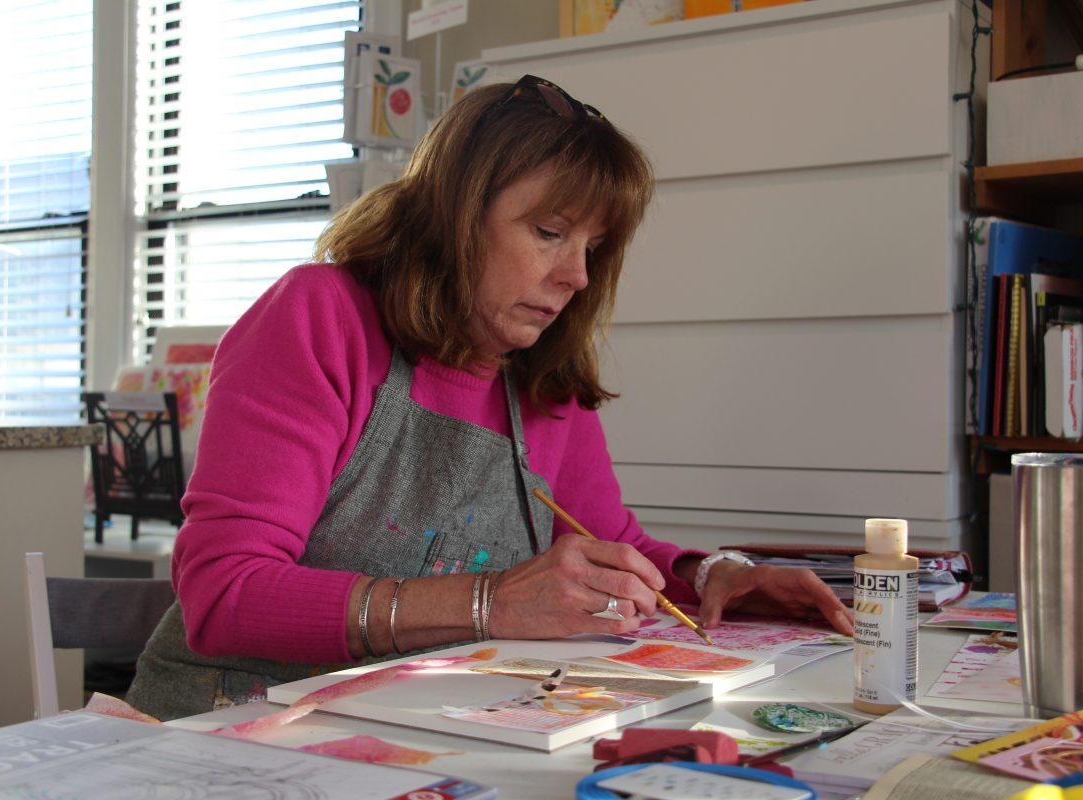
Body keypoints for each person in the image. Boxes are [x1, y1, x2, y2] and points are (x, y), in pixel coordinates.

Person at [125, 75, 854, 721]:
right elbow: (225, 595)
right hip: (223, 729)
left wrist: (712, 576)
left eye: (592, 248)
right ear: (454, 213)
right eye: (549, 232)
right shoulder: (320, 318)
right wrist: (490, 603)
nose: (576, 275)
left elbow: (613, 547)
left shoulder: (541, 378)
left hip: (412, 724)